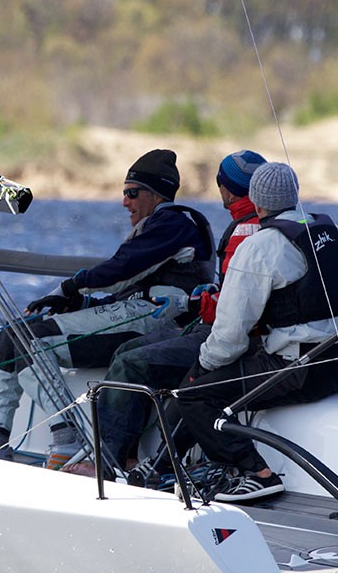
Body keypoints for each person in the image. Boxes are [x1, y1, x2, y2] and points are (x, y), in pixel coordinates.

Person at [0, 149, 216, 469]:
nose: (125, 201)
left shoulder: (174, 221)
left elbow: (122, 269)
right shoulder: (156, 227)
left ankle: (67, 439)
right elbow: (129, 286)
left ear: (155, 195)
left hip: (156, 322)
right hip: (133, 313)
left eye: (132, 193)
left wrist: (67, 289)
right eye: (124, 193)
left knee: (30, 339)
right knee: (14, 332)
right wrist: (81, 302)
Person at [176, 161, 338, 502]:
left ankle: (256, 473)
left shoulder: (258, 248)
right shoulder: (337, 233)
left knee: (194, 395)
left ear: (256, 200)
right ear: (294, 194)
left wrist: (203, 367)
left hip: (294, 372)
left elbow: (229, 335)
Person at [83, 150, 267, 480]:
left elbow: (239, 311)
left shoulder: (245, 232)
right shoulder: (267, 226)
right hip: (230, 330)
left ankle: (106, 461)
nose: (126, 201)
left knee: (130, 362)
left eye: (131, 193)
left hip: (233, 341)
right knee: (126, 351)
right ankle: (126, 457)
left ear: (226, 188)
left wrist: (207, 316)